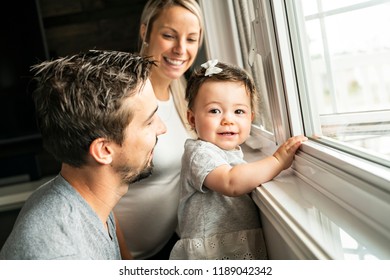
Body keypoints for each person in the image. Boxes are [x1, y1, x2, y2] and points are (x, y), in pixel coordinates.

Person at [0, 50, 166, 260]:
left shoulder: (86, 201)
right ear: (104, 151)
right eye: (149, 122)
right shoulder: (62, 256)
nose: (162, 128)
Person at [169, 60, 308, 260]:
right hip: (210, 255)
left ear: (251, 118)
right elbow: (231, 182)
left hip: (235, 247)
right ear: (192, 119)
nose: (228, 120)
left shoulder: (233, 153)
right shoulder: (198, 152)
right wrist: (277, 161)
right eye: (215, 111)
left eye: (239, 111)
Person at [114, 0, 204, 259]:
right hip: (121, 256)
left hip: (166, 247)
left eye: (191, 39)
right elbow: (98, 187)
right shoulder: (126, 97)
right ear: (145, 32)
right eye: (168, 36)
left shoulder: (183, 97)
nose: (181, 49)